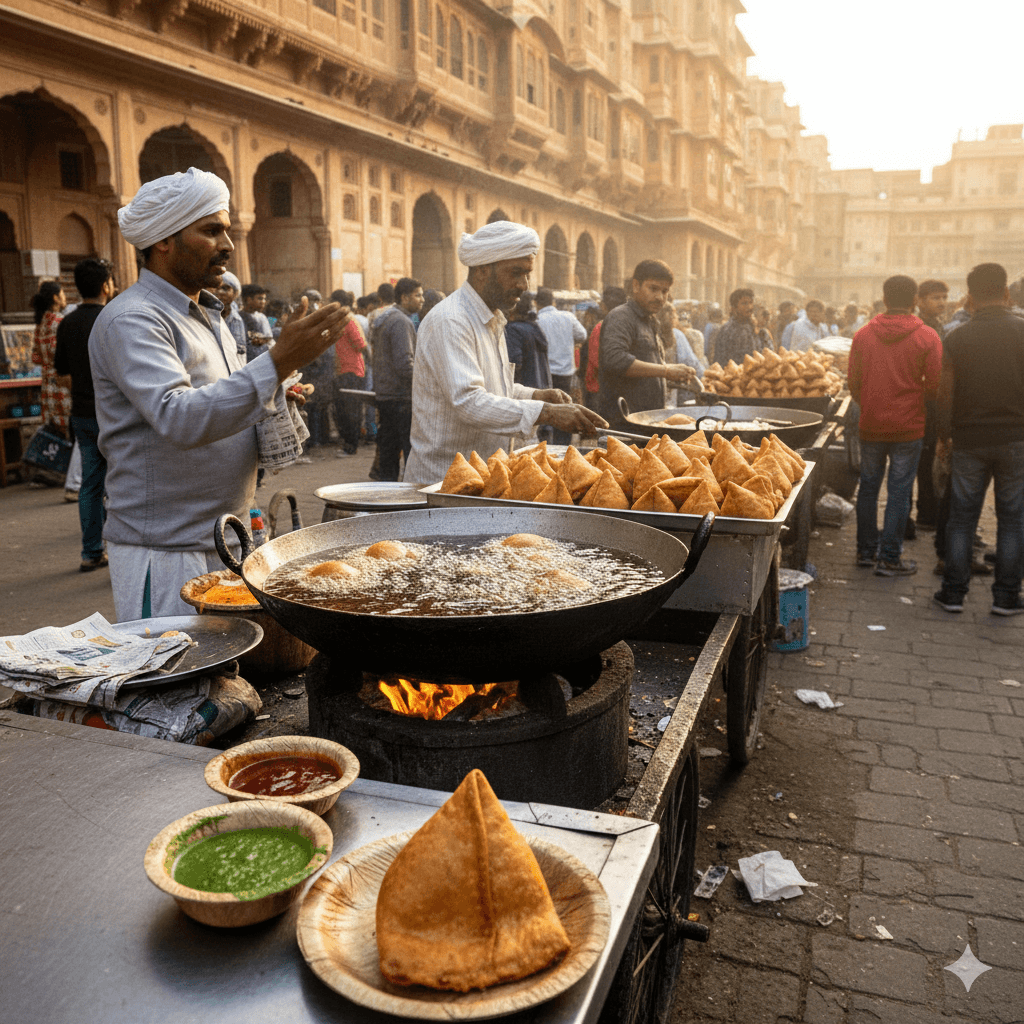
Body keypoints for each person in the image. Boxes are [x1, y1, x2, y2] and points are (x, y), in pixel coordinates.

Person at [89, 166, 350, 620]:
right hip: (168, 553)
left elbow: (218, 399)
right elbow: (179, 417)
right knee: (178, 680)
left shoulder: (208, 315)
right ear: (164, 240)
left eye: (226, 231)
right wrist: (274, 364)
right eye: (211, 231)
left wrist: (273, 395)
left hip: (227, 537)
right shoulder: (132, 319)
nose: (228, 246)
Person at [404, 221, 605, 484]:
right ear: (483, 270)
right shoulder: (451, 320)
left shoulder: (492, 318)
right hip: (442, 482)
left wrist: (538, 395)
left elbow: (494, 390)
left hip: (482, 478)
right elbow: (469, 401)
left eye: (527, 274)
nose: (524, 285)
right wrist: (547, 413)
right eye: (516, 273)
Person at [934, 264, 1024, 615]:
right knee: (1013, 518)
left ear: (970, 297)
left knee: (962, 517)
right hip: (1017, 440)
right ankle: (1005, 597)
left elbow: (945, 396)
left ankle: (953, 593)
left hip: (969, 440)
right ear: (1005, 294)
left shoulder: (957, 337)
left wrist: (944, 437)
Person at [848, 275, 942, 577]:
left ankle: (864, 551)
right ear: (914, 300)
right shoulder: (927, 337)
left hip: (871, 425)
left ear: (885, 299)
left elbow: (854, 383)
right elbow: (935, 385)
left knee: (868, 488)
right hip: (908, 427)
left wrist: (872, 405)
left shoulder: (863, 335)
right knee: (899, 492)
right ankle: (889, 557)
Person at [54, 258, 115, 572]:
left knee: (91, 484)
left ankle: (91, 552)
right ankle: (119, 551)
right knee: (120, 484)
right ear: (106, 285)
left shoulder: (67, 322)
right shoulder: (114, 318)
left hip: (82, 414)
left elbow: (61, 374)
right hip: (114, 416)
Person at [598, 259, 699, 428]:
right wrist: (666, 371)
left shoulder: (650, 321)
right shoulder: (621, 317)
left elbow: (646, 371)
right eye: (653, 289)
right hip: (624, 423)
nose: (660, 297)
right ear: (636, 286)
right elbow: (615, 360)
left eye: (664, 291)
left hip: (647, 421)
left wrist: (676, 375)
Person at [373, 277, 422, 478]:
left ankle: (387, 493)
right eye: (417, 295)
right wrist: (423, 384)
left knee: (388, 451)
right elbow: (405, 365)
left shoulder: (386, 317)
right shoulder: (401, 322)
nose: (422, 300)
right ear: (404, 297)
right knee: (409, 452)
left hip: (386, 395)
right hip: (400, 397)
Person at [913, 279, 948, 531]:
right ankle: (926, 513)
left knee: (932, 458)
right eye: (936, 298)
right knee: (924, 459)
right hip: (922, 401)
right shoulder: (920, 327)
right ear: (920, 300)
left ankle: (930, 510)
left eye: (944, 297)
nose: (942, 302)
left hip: (936, 402)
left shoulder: (940, 326)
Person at [535, 287, 586, 444]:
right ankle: (564, 446)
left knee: (546, 410)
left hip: (546, 373)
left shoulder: (537, 321)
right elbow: (582, 335)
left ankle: (546, 447)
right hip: (565, 372)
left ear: (537, 304)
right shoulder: (568, 317)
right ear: (554, 302)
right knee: (564, 408)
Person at [325, 288, 368, 458]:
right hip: (342, 371)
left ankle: (351, 445)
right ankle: (348, 444)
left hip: (351, 371)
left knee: (350, 411)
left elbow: (361, 345)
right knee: (343, 410)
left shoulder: (348, 320)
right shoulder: (340, 320)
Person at [30, 281, 71, 437]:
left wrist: (48, 362)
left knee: (56, 435)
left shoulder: (40, 325)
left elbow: (35, 357)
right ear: (55, 297)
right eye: (62, 293)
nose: (65, 297)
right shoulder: (62, 322)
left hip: (48, 387)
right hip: (64, 384)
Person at [582, 286, 627, 411]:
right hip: (617, 390)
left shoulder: (601, 327)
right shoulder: (626, 327)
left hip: (599, 391)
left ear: (603, 306)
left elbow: (596, 360)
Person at [505, 292, 552, 391]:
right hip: (539, 388)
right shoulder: (533, 327)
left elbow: (513, 365)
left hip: (524, 393)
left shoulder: (513, 330)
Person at [711, 288, 758, 366]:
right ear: (734, 308)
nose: (749, 307)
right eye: (744, 303)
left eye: (751, 302)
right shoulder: (728, 330)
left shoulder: (752, 328)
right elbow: (721, 360)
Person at [214, 270, 247, 358]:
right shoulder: (205, 314)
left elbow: (240, 350)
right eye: (217, 288)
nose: (220, 292)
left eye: (225, 288)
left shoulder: (236, 319)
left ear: (235, 293)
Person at [240, 284, 274, 362]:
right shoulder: (239, 317)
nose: (263, 302)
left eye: (264, 299)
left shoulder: (262, 317)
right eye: (260, 299)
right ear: (248, 300)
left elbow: (269, 338)